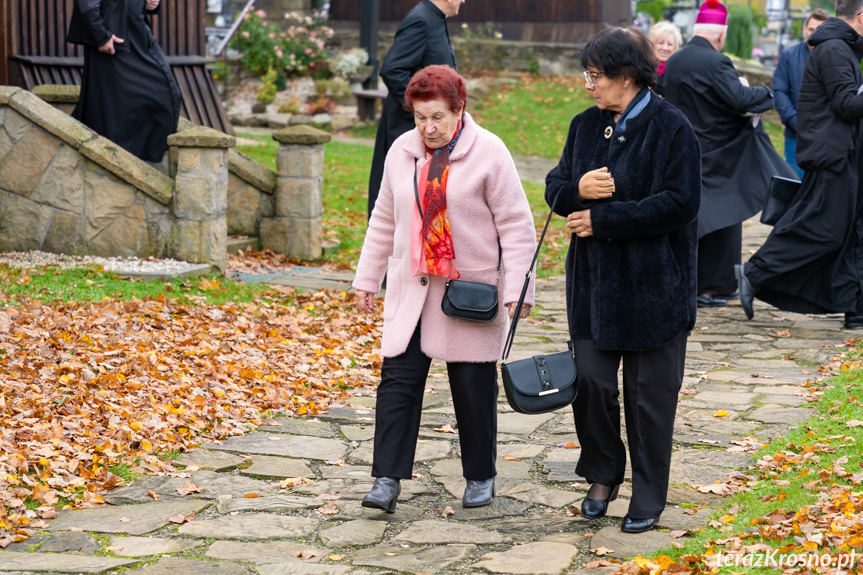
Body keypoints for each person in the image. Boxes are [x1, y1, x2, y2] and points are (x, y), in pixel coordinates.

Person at [353, 65, 537, 512]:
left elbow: (516, 226)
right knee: (397, 380)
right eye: (419, 118)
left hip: (467, 291)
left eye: (437, 117)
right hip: (412, 286)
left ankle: (479, 475)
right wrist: (366, 277)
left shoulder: (490, 152)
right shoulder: (401, 150)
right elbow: (384, 217)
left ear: (459, 110)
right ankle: (386, 479)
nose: (428, 128)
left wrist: (519, 289)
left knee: (472, 386)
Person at [545, 27, 701, 533]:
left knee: (648, 397)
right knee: (590, 381)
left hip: (654, 287)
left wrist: (605, 219)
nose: (588, 85)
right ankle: (603, 473)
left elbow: (680, 203)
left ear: (627, 77)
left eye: (596, 76)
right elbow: (555, 188)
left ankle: (648, 495)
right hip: (593, 287)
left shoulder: (672, 127)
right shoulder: (584, 126)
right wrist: (576, 189)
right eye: (586, 75)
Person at [662, 0, 796, 308]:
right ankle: (715, 286)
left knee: (698, 215)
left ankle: (695, 284)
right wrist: (768, 94)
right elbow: (739, 99)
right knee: (724, 215)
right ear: (721, 36)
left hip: (684, 148)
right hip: (719, 152)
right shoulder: (717, 62)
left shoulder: (675, 61)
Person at [738, 1, 863, 329]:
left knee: (845, 232)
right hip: (832, 155)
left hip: (839, 153)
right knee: (823, 230)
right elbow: (847, 105)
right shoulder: (835, 49)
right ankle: (754, 272)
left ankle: (854, 307)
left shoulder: (839, 48)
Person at [367, 0, 464, 220]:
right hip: (407, 131)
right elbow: (393, 69)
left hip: (428, 133)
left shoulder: (435, 19)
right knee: (401, 207)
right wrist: (422, 112)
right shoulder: (420, 20)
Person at [67, 0, 180, 163]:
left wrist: (152, 3)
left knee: (165, 93)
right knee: (112, 107)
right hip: (112, 38)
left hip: (137, 32)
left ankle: (138, 163)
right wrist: (100, 35)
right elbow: (87, 3)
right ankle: (113, 164)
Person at [772, 9, 830, 178]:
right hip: (795, 136)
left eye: (820, 29)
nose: (814, 33)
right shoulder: (789, 56)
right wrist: (796, 122)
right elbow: (779, 92)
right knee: (795, 186)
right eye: (812, 29)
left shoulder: (833, 57)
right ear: (805, 29)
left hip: (825, 138)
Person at [648, 21, 682, 97]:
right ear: (652, 45)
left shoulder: (679, 70)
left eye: (670, 44)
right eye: (660, 43)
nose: (665, 48)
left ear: (675, 48)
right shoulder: (643, 67)